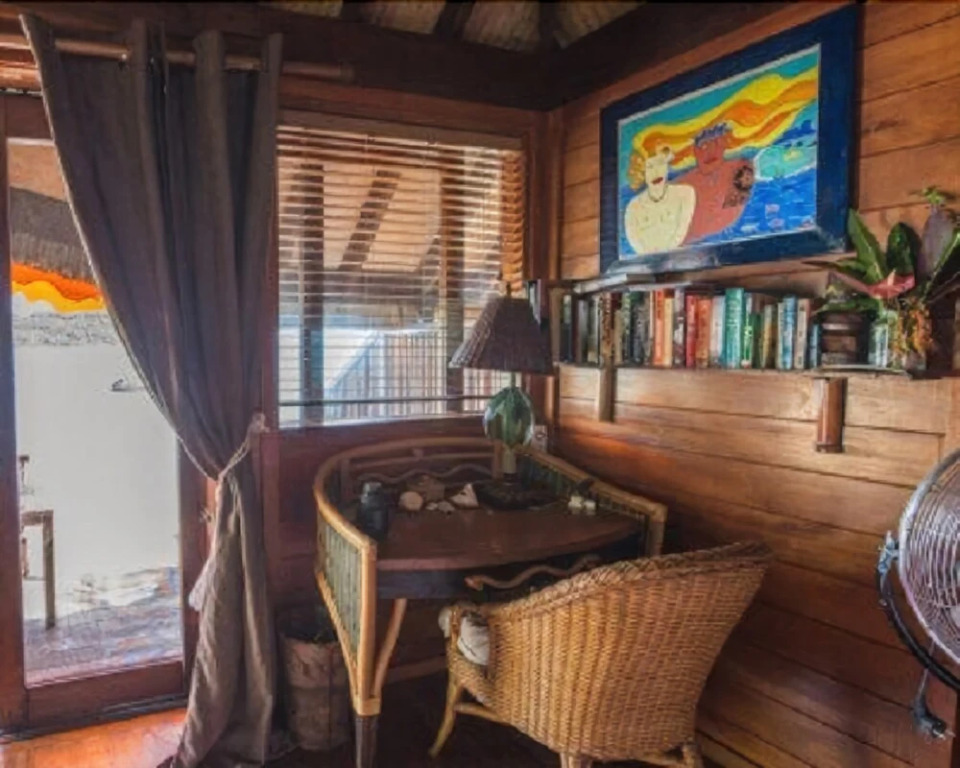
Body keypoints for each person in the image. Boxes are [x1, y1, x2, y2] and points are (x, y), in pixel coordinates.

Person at [623, 146, 696, 255]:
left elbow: (680, 234)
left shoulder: (685, 194)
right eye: (650, 167)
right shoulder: (633, 208)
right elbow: (636, 243)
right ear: (642, 172)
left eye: (661, 164)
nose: (656, 172)